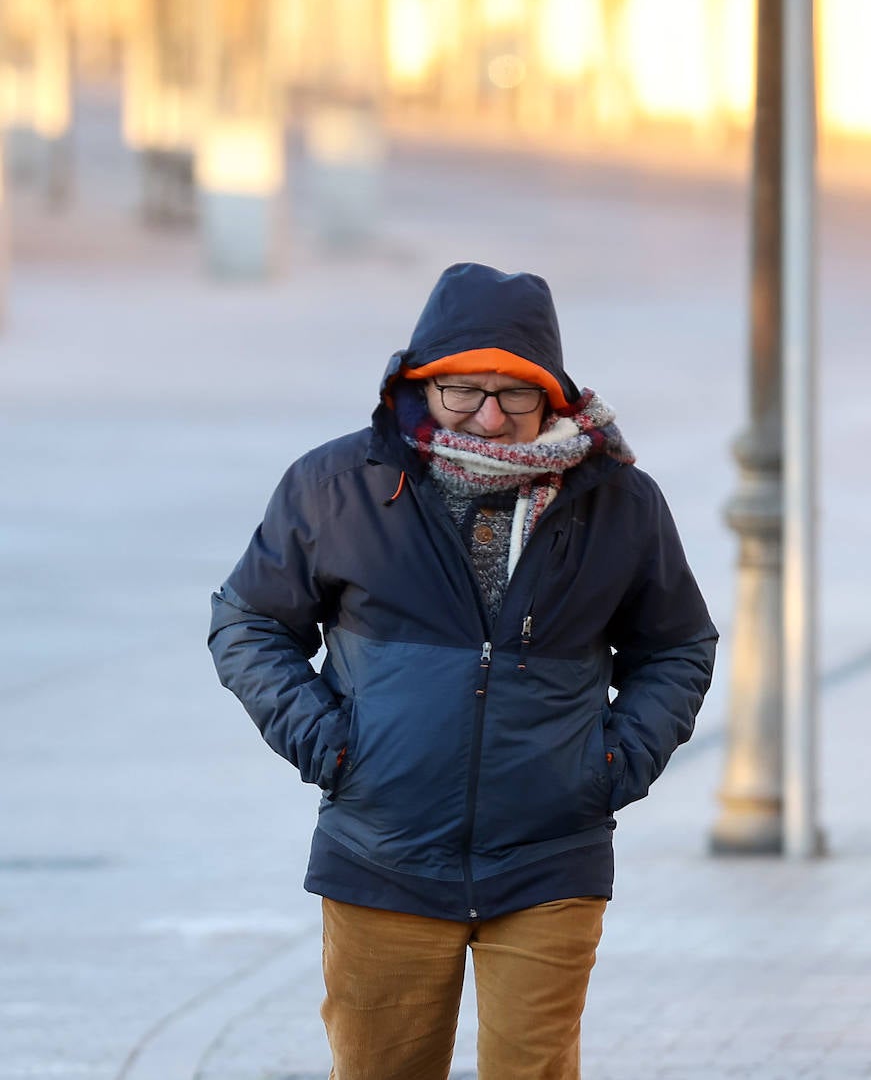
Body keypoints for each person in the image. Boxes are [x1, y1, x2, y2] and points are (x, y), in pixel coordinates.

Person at [209, 260, 717, 1080]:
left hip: (550, 856)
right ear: (419, 385)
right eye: (463, 391)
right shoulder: (338, 487)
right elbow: (248, 620)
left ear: (552, 395)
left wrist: (609, 766)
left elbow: (676, 645)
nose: (488, 416)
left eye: (515, 393)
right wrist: (334, 747)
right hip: (382, 856)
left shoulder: (617, 502)